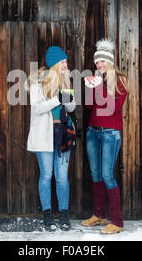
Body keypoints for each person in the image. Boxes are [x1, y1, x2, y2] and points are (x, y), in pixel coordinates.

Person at [26, 46, 76, 231]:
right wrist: (57, 99)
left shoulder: (66, 82)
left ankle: (64, 215)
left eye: (66, 62)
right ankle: (48, 216)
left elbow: (71, 109)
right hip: (44, 136)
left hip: (63, 136)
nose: (66, 65)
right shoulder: (37, 84)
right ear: (55, 64)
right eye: (63, 62)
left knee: (62, 177)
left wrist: (67, 94)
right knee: (46, 175)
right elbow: (37, 108)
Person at [82, 38, 128, 234]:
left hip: (110, 133)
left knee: (108, 175)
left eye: (102, 62)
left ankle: (117, 221)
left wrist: (99, 86)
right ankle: (100, 215)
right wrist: (91, 88)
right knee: (96, 174)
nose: (99, 65)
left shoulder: (121, 80)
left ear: (110, 61)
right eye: (97, 63)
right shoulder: (96, 80)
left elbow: (113, 108)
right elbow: (90, 106)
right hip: (93, 131)